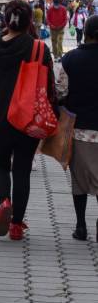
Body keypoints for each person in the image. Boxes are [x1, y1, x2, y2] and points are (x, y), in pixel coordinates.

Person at [0, 0, 56, 241]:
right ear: (30, 20)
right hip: (28, 118)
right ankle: (17, 225)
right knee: (22, 170)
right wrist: (54, 116)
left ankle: (4, 201)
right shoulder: (39, 48)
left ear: (6, 20)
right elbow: (50, 85)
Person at [61, 16, 98, 241]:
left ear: (86, 32)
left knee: (80, 180)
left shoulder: (71, 59)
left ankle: (81, 226)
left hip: (80, 129)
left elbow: (60, 92)